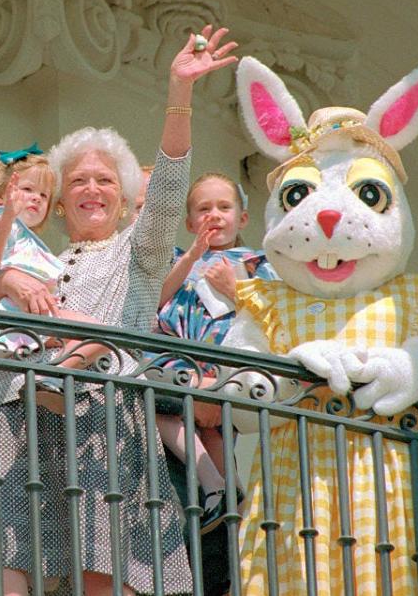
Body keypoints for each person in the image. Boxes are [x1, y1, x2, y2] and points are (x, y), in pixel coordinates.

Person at [0, 25, 239, 596]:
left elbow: (170, 183)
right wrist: (6, 276)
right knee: (1, 575)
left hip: (104, 424)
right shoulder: (36, 257)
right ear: (60, 201)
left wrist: (178, 94)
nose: (92, 188)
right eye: (79, 180)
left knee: (104, 578)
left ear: (124, 192)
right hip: (19, 420)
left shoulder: (142, 249)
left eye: (105, 179)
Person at [152, 172, 277, 595]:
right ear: (189, 222)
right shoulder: (179, 258)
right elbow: (158, 300)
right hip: (182, 360)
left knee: (215, 425)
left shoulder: (257, 263)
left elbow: (276, 317)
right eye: (203, 209)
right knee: (162, 405)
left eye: (223, 208)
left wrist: (237, 289)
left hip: (226, 368)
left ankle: (224, 497)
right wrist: (191, 256)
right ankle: (223, 496)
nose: (213, 216)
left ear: (242, 216)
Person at [0, 147, 94, 472]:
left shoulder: (28, 239)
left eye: (43, 195)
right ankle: (56, 378)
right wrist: (6, 217)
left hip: (20, 321)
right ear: (2, 194)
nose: (35, 199)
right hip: (14, 318)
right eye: (27, 189)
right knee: (97, 332)